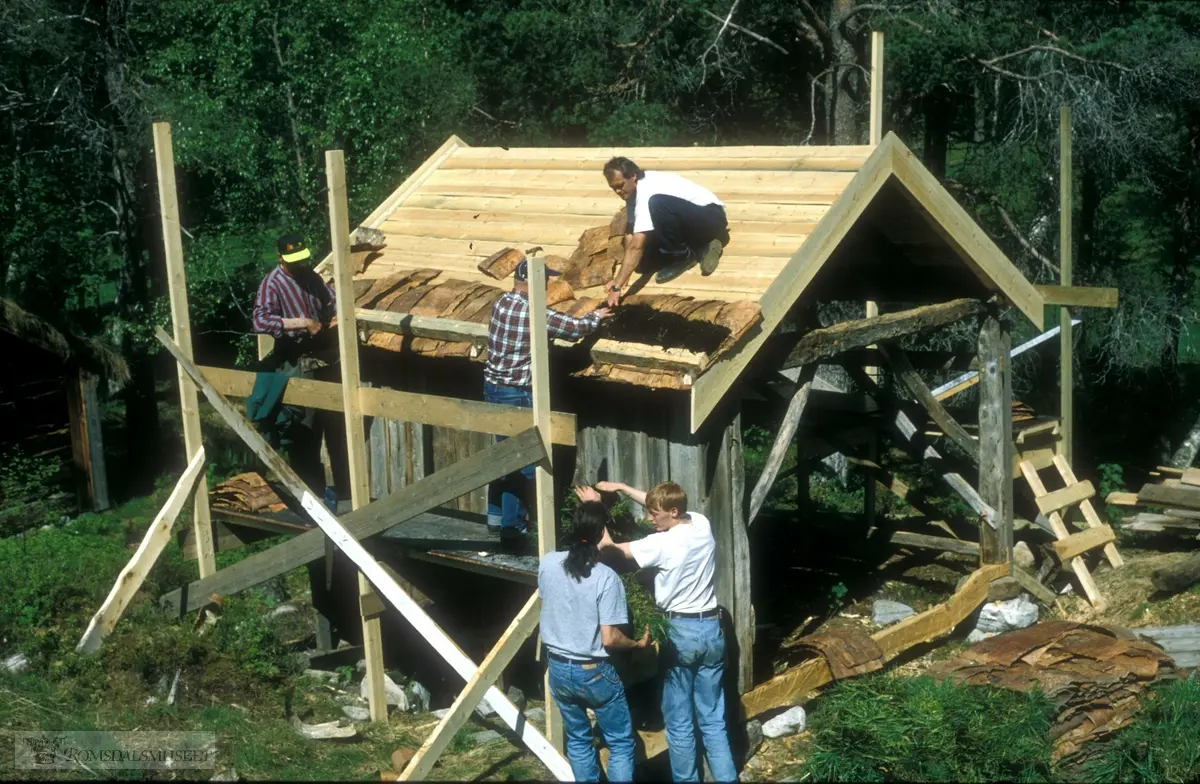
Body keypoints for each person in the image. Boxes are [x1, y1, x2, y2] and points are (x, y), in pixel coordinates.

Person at [594, 480, 737, 783]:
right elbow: (656, 500)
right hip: (712, 629)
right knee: (713, 721)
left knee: (680, 723)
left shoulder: (661, 544)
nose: (649, 519)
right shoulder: (700, 524)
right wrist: (621, 487)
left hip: (681, 632)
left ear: (673, 512)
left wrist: (596, 509)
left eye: (654, 515)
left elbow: (612, 552)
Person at [483, 259, 611, 542]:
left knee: (502, 455)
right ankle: (512, 528)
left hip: (492, 387)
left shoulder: (502, 302)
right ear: (535, 282)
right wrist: (597, 317)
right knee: (523, 460)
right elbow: (574, 328)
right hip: (516, 392)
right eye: (544, 281)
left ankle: (494, 518)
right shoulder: (533, 311)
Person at [539, 495, 650, 782]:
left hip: (559, 669)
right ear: (602, 533)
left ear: (573, 529)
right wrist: (637, 644)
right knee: (620, 742)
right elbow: (610, 639)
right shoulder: (606, 577)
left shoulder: (549, 563)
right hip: (594, 673)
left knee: (577, 739)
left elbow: (549, 603)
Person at [251, 233, 340, 510]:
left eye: (302, 260)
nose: (299, 265)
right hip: (296, 356)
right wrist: (301, 323)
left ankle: (337, 491)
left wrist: (336, 316)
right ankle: (310, 497)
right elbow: (259, 320)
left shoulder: (311, 277)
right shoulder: (272, 284)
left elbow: (331, 299)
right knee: (304, 429)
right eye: (293, 262)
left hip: (323, 353)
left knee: (334, 424)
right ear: (280, 259)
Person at [602, 157, 730, 306]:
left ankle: (684, 256)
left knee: (657, 203)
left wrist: (617, 288)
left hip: (711, 218)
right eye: (613, 188)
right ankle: (701, 248)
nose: (617, 191)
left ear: (633, 176)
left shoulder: (647, 190)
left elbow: (636, 246)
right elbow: (631, 231)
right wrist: (620, 278)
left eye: (620, 185)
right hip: (688, 224)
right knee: (642, 265)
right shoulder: (631, 192)